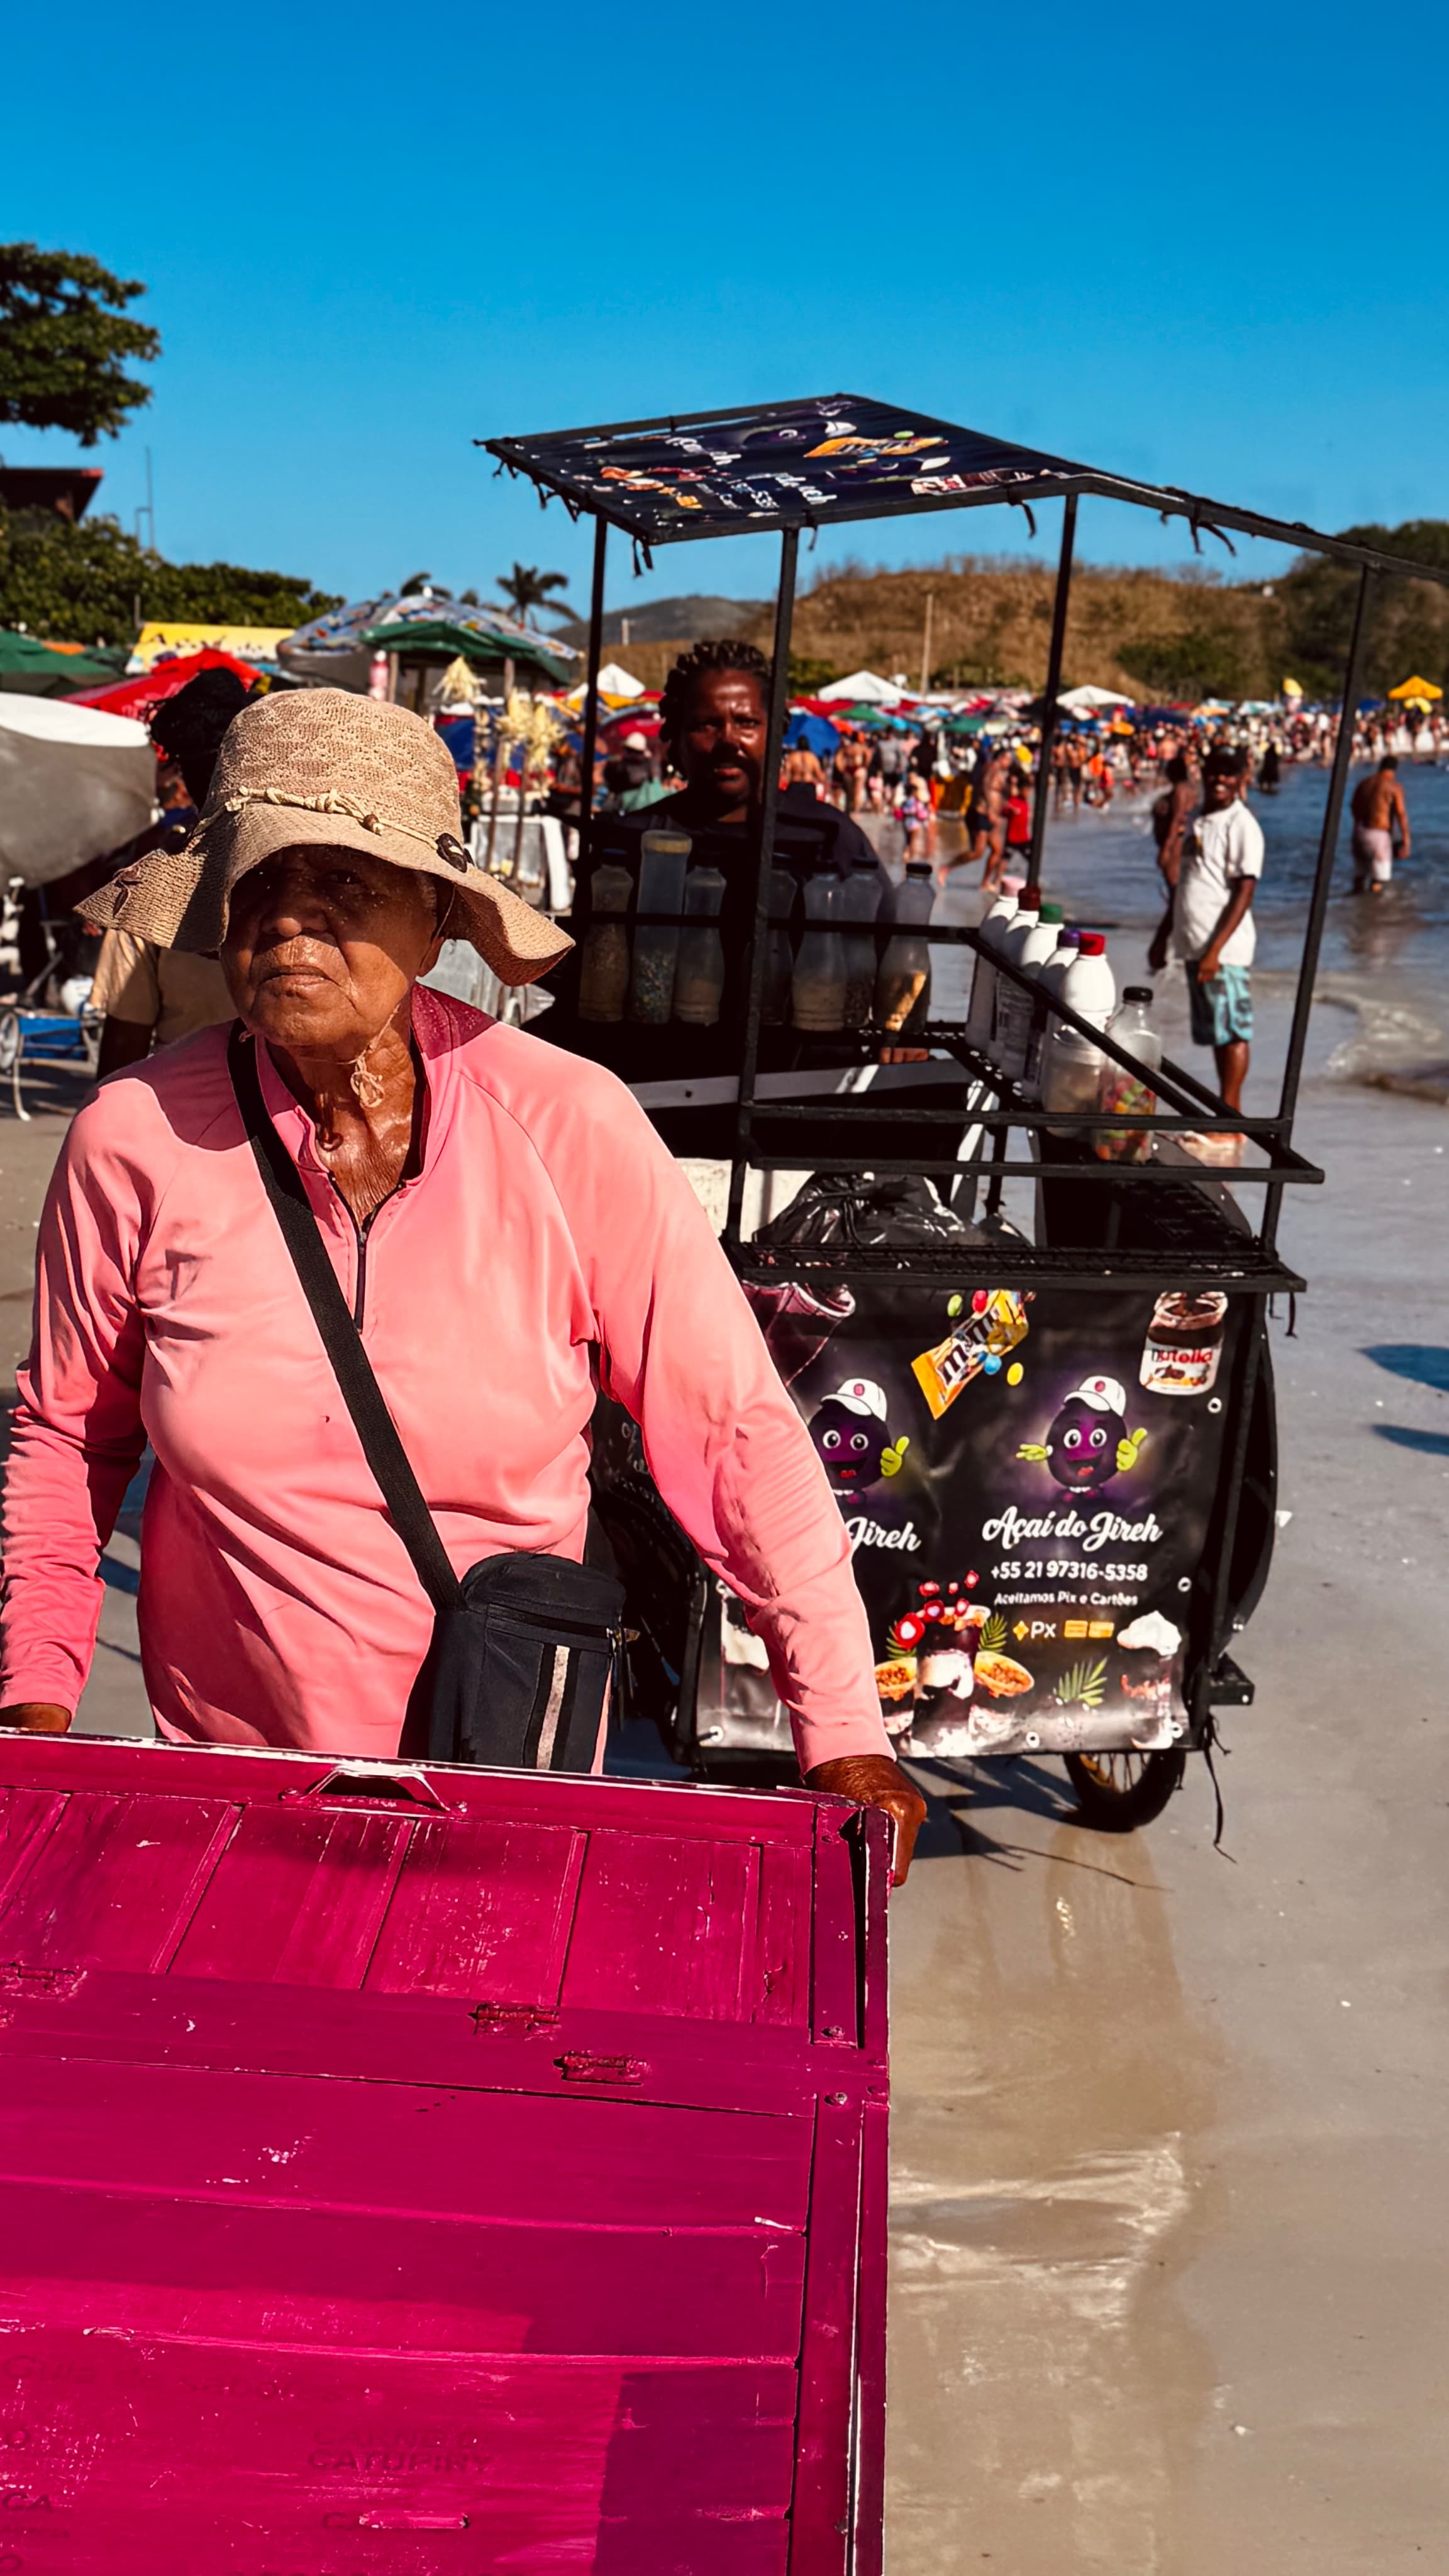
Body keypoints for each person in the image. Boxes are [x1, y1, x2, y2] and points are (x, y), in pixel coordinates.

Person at [0, 689, 924, 1879]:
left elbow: (734, 1434)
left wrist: (843, 1736)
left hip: (499, 1776)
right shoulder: (133, 1137)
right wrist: (33, 1700)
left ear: (435, 918)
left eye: (344, 880)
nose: (290, 918)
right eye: (257, 878)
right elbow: (70, 1435)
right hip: (229, 1784)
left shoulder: (567, 1122)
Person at [91, 667, 253, 1074]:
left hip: (178, 1103)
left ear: (184, 773)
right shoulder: (311, 879)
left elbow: (121, 1053)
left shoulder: (148, 893)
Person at [1151, 745, 1263, 1113]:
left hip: (1223, 951)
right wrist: (1163, 936)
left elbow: (1245, 891)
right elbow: (1186, 886)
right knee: (1217, 1033)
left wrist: (1215, 951)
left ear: (1240, 779)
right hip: (1194, 947)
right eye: (1215, 771)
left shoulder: (1240, 824)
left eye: (1229, 773)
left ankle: (1231, 1116)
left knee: (1233, 1033)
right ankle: (1223, 1113)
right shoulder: (1200, 821)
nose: (1220, 779)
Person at [1350, 755, 1410, 894]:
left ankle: (1355, 902)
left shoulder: (1364, 784)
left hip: (1359, 833)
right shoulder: (1394, 786)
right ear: (1394, 770)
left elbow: (1354, 808)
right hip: (1379, 835)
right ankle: (1375, 906)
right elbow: (1401, 815)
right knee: (1378, 881)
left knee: (1359, 877)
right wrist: (1406, 841)